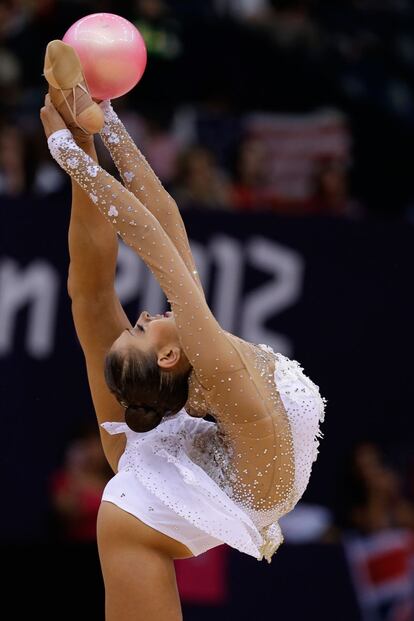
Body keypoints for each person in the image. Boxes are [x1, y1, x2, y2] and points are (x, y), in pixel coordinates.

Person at [40, 39, 326, 621]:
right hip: (165, 502)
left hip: (192, 457)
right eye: (143, 329)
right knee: (99, 308)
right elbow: (152, 238)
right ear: (170, 357)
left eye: (139, 324)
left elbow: (165, 216)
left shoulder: (196, 359)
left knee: (89, 301)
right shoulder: (215, 363)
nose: (143, 317)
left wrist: (99, 117)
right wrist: (69, 153)